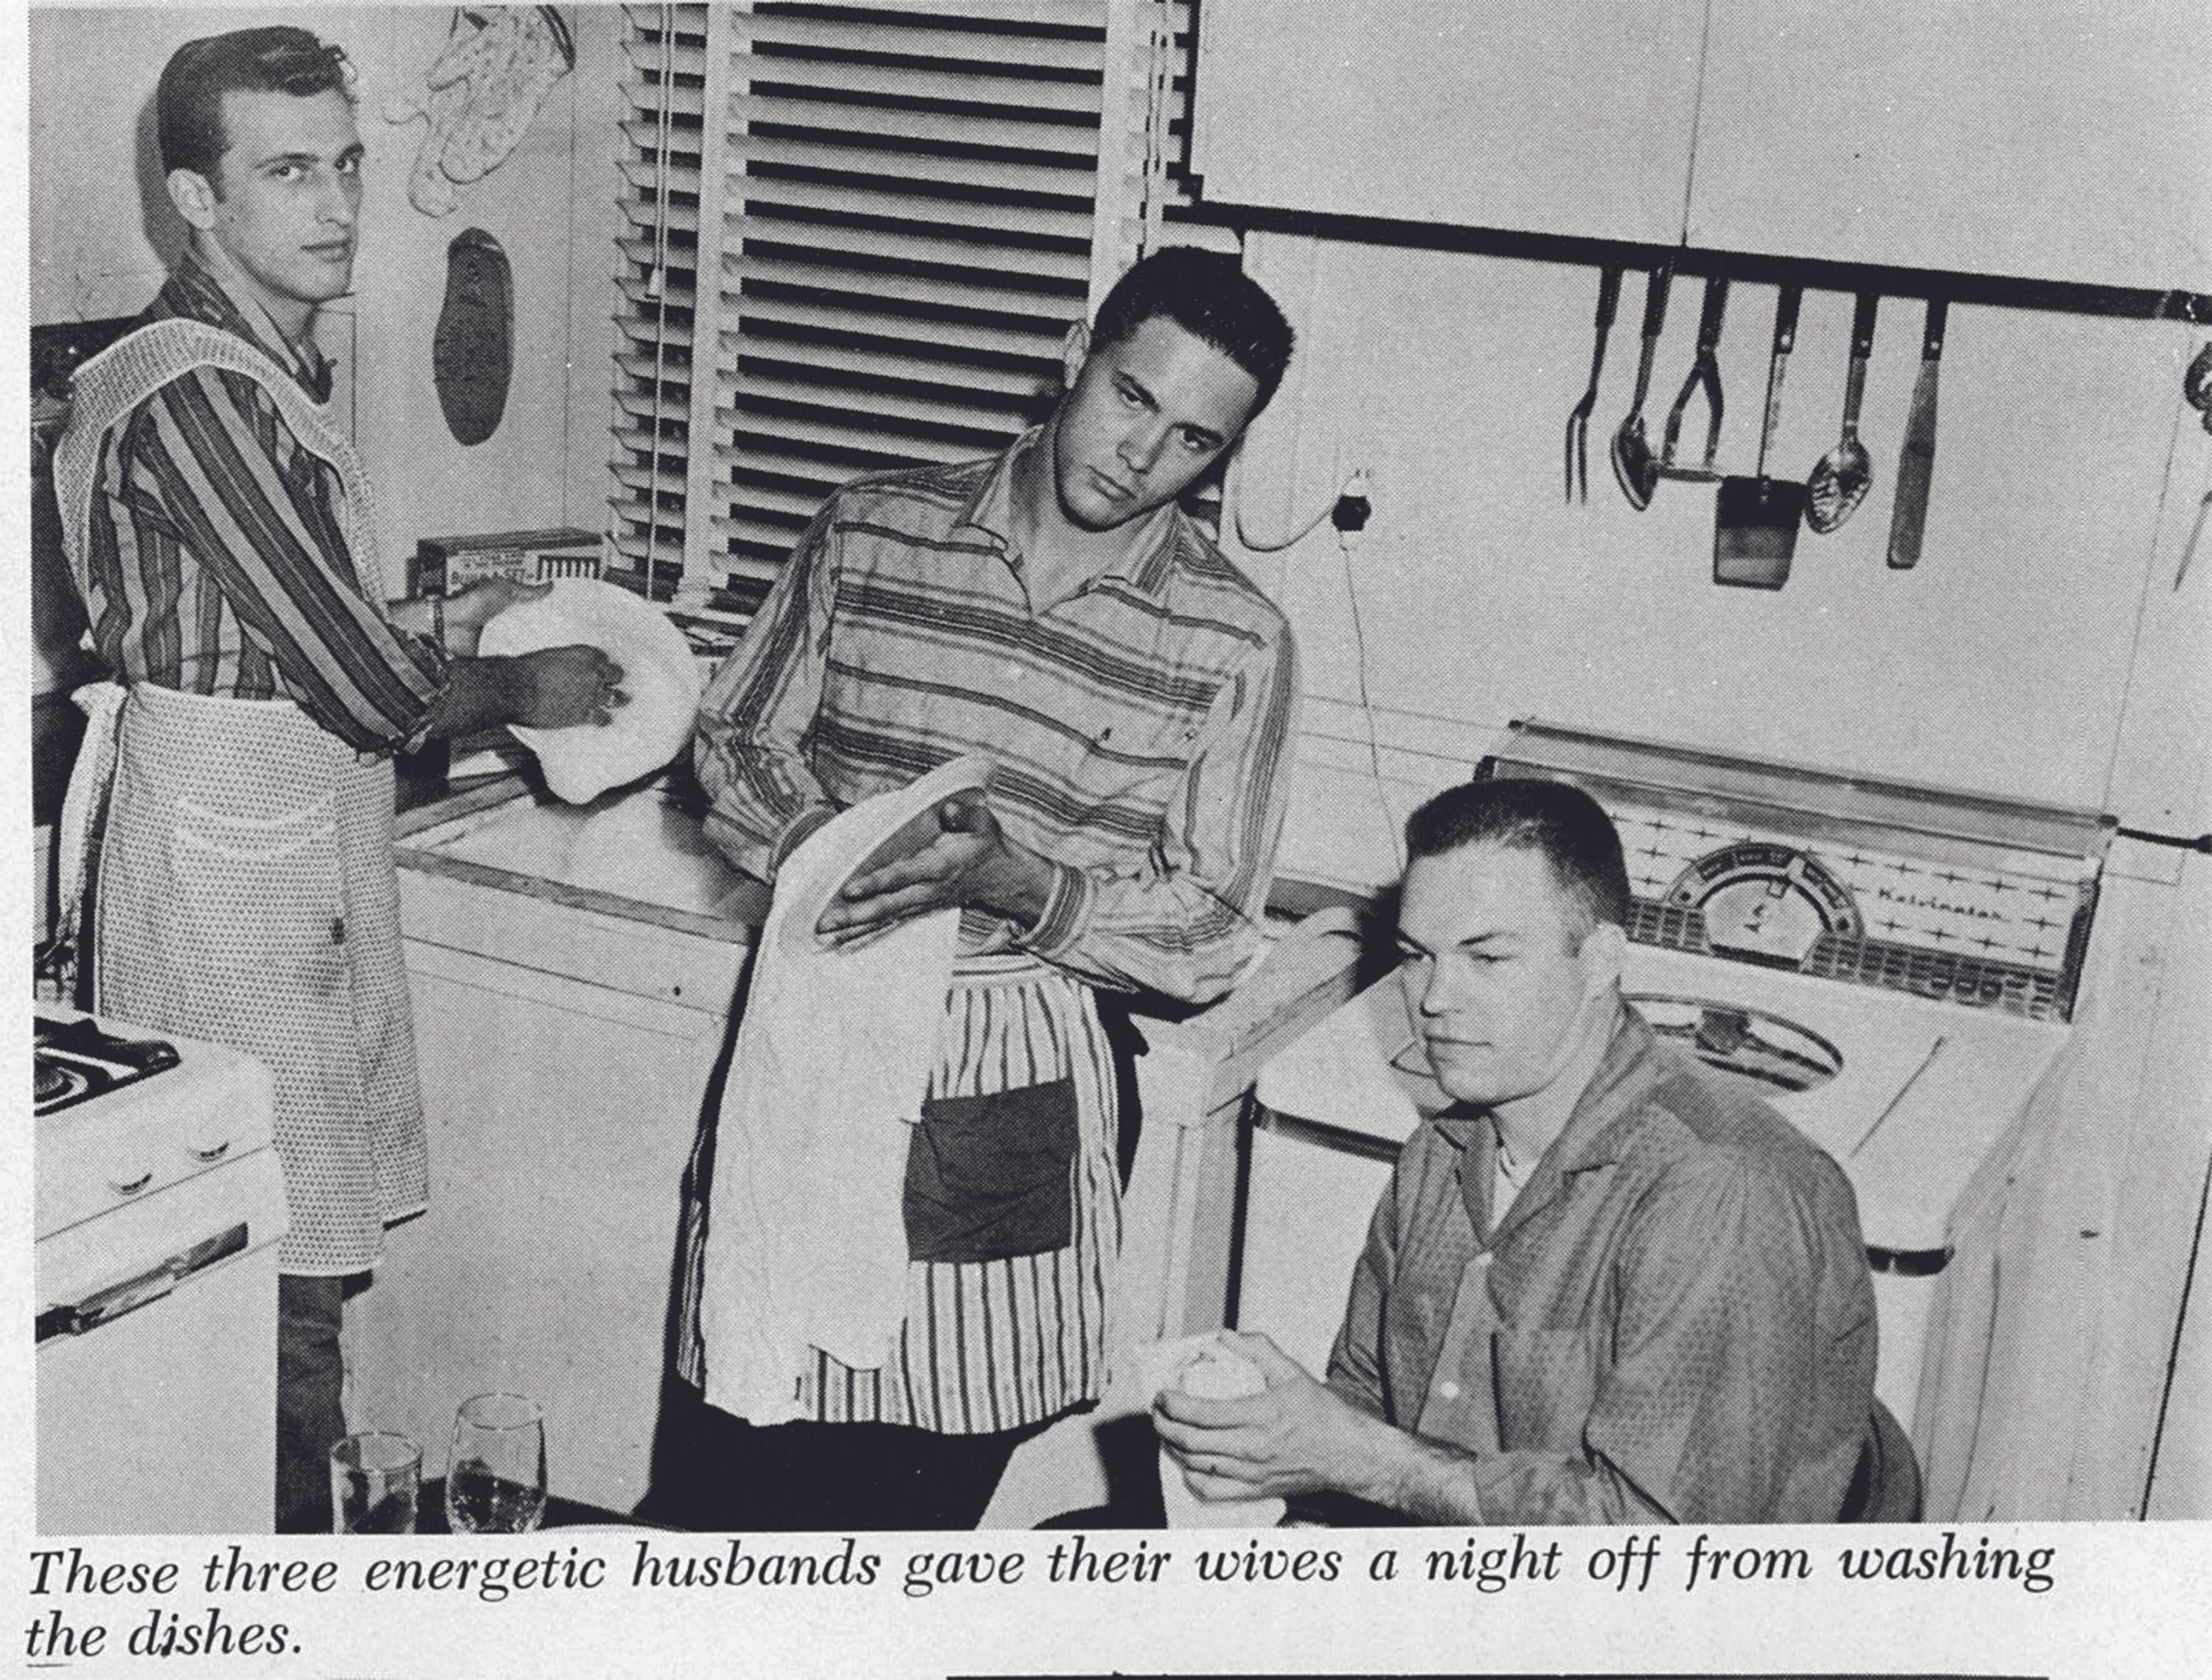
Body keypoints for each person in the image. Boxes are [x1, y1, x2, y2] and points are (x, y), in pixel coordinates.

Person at [51, 26, 626, 1533]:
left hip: (287, 864)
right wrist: (517, 681)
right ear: (194, 195)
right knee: (269, 1299)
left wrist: (456, 633)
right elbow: (368, 681)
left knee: (302, 1279)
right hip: (226, 897)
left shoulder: (270, 371)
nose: (335, 202)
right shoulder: (198, 399)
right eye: (287, 170)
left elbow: (317, 626)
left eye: (346, 163)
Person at [664, 246, 1301, 1529]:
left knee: (905, 1529)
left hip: (1016, 1065)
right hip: (817, 1021)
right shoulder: (874, 522)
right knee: (723, 1475)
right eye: (1131, 395)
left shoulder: (1235, 636)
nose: (1139, 454)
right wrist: (846, 847)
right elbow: (734, 740)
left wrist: (1016, 881)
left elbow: (1214, 919)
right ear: (1078, 352)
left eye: (1192, 441)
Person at [1152, 778, 1881, 1524]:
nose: (1435, 999)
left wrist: (1361, 1459)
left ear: (1598, 960)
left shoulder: (1720, 1191)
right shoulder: (1443, 1150)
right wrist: (1286, 1441)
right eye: (1416, 956)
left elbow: (1658, 1544)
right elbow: (1367, 1398)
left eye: (1488, 958)